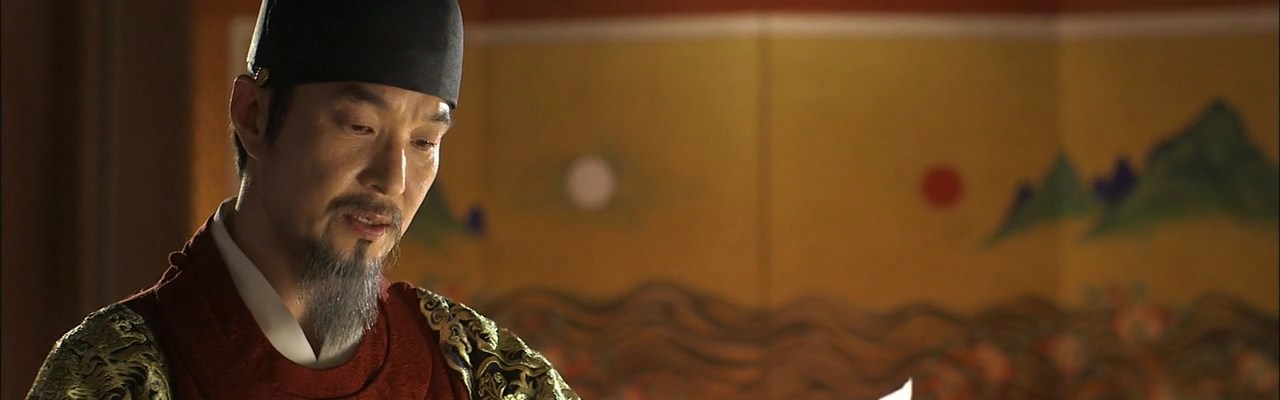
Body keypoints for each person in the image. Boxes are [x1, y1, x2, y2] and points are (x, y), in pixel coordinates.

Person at [27, 0, 578, 398]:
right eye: (360, 126)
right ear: (254, 116)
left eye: (424, 143)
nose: (392, 180)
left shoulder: (478, 370)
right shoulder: (117, 373)